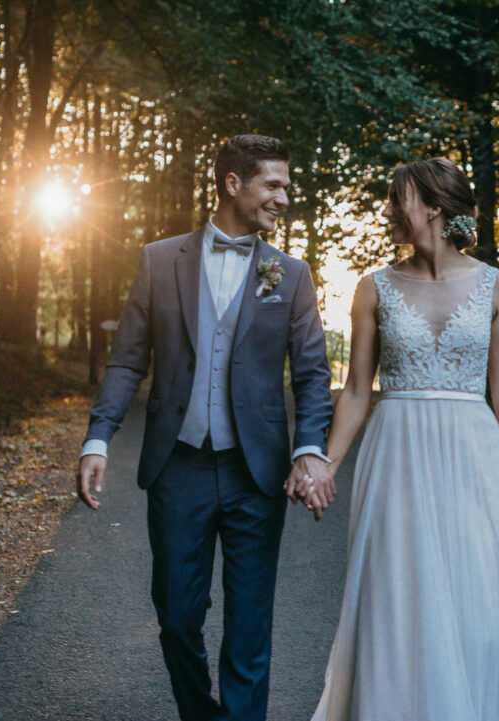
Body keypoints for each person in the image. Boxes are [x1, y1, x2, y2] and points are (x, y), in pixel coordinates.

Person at [289, 157, 499, 720]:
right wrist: (326, 465)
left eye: (400, 200)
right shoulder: (373, 288)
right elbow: (357, 392)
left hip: (474, 456)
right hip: (396, 455)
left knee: (482, 597)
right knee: (398, 595)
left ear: (434, 209)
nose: (389, 210)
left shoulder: (498, 286)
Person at [76, 134, 335, 721]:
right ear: (232, 183)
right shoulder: (160, 259)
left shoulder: (289, 274)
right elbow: (126, 359)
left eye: (287, 186)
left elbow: (314, 376)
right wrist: (99, 437)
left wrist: (310, 449)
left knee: (249, 623)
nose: (284, 197)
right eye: (273, 184)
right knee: (175, 615)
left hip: (257, 473)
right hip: (179, 467)